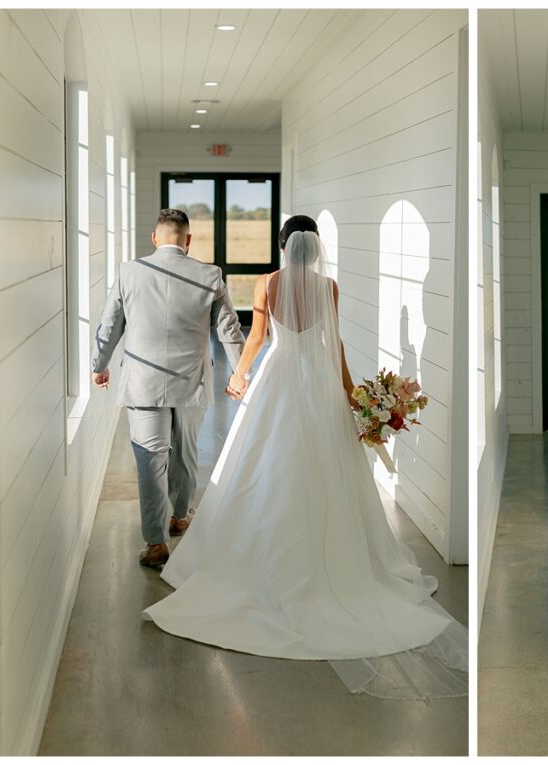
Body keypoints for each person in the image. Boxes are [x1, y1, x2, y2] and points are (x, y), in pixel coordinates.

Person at [142, 229, 467, 699]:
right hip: (316, 381)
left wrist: (238, 375)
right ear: (316, 252)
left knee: (260, 465)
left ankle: (265, 548)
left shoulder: (267, 283)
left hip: (277, 378)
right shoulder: (328, 288)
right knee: (324, 466)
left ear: (283, 247)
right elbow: (333, 345)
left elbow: (256, 336)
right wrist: (352, 394)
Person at [91, 208, 245, 568]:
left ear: (155, 238)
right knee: (186, 453)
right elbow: (229, 330)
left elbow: (109, 324)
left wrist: (99, 365)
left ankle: (156, 542)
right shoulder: (210, 274)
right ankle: (179, 516)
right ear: (188, 240)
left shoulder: (128, 272)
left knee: (149, 459)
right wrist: (240, 373)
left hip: (143, 383)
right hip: (191, 381)